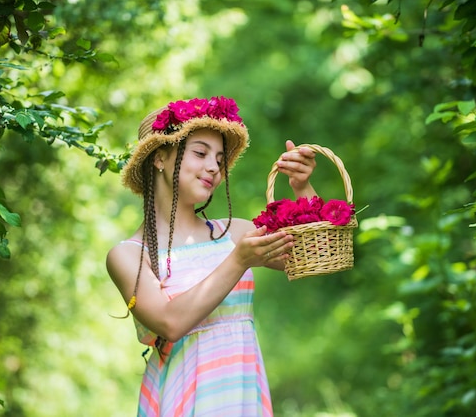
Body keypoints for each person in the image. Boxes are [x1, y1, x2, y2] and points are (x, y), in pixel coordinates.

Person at [106, 96, 317, 416]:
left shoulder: (234, 233)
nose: (213, 167)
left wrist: (302, 188)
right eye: (201, 153)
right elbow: (170, 323)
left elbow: (310, 257)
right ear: (160, 158)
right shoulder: (129, 256)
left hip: (241, 399)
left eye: (219, 159)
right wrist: (238, 261)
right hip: (185, 402)